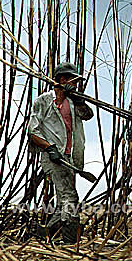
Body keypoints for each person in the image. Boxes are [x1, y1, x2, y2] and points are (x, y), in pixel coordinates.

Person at [28, 62, 93, 243]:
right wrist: (49, 148)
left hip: (70, 158)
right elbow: (33, 131)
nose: (76, 85)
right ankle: (71, 242)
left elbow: (88, 115)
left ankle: (43, 233)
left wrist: (80, 100)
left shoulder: (74, 101)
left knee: (63, 198)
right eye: (73, 81)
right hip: (53, 156)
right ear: (62, 80)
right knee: (70, 198)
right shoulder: (44, 101)